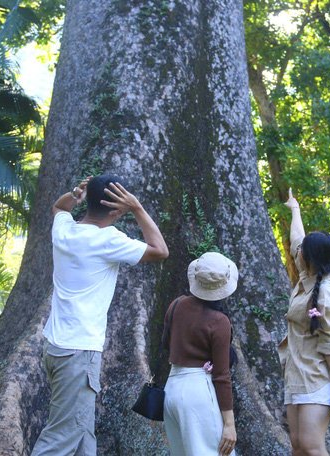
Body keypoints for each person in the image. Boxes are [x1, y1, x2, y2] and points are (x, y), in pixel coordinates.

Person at [31, 175, 169, 456]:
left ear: (89, 201)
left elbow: (59, 209)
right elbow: (160, 251)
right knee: (61, 437)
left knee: (82, 431)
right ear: (118, 210)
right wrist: (139, 208)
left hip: (57, 347)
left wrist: (74, 194)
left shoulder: (65, 230)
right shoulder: (107, 239)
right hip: (79, 352)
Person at [278, 188, 330, 456]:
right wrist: (295, 208)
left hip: (317, 379)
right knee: (297, 446)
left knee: (311, 445)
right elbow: (297, 237)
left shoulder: (327, 292)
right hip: (296, 374)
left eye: (301, 252)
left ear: (307, 259)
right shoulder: (309, 277)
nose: (296, 251)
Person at [162, 251, 238, 456]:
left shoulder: (176, 305)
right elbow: (222, 376)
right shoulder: (219, 321)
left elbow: (165, 344)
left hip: (172, 389)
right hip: (198, 393)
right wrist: (229, 424)